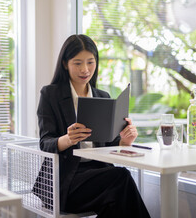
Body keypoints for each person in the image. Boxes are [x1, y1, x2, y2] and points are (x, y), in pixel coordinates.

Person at [33, 34, 150, 217]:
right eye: (77, 63)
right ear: (65, 64)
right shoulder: (51, 94)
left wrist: (124, 141)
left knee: (116, 202)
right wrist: (67, 139)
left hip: (99, 175)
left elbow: (108, 142)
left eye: (90, 62)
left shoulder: (102, 96)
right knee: (121, 179)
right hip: (65, 181)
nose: (85, 69)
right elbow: (45, 142)